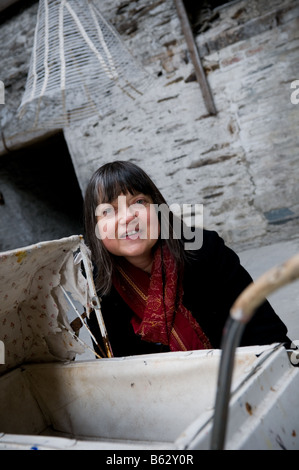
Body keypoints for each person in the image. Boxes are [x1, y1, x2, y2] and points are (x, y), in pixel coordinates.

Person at [83, 160, 290, 357]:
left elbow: (264, 329)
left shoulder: (206, 250)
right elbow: (113, 369)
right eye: (108, 211)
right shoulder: (95, 287)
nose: (128, 217)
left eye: (139, 202)